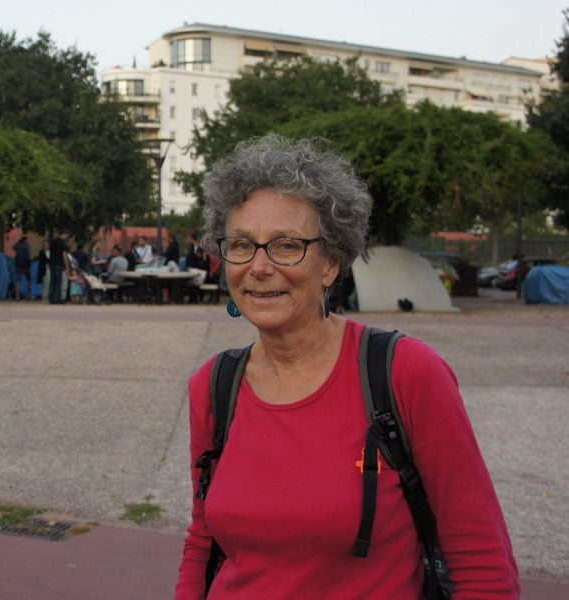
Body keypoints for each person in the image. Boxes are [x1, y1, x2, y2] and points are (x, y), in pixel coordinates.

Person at [175, 135, 518, 599]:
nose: (258, 267)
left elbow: (481, 558)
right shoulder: (215, 386)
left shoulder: (406, 373)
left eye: (286, 245)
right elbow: (203, 541)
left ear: (331, 264)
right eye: (241, 245)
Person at [48, 230, 70, 304]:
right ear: (65, 234)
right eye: (67, 235)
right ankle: (57, 299)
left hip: (52, 264)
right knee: (58, 282)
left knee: (52, 281)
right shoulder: (62, 242)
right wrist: (67, 266)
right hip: (59, 264)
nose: (67, 237)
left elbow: (50, 253)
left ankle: (51, 298)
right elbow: (64, 254)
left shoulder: (53, 241)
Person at [13, 236, 32, 300]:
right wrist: (29, 265)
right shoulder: (26, 247)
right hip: (25, 266)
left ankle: (17, 296)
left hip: (18, 265)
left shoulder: (17, 246)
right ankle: (28, 295)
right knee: (29, 280)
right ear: (25, 240)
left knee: (18, 281)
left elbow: (13, 247)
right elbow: (28, 256)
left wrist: (18, 242)